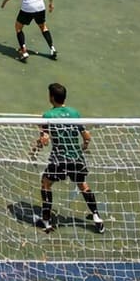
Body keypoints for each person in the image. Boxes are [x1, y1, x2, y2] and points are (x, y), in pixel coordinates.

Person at [32, 82, 103, 234]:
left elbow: (45, 140)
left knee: (46, 183)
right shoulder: (75, 113)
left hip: (59, 159)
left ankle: (45, 220)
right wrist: (84, 145)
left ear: (51, 97)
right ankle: (97, 217)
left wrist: (36, 148)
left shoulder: (48, 116)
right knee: (83, 185)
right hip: (76, 158)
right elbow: (86, 136)